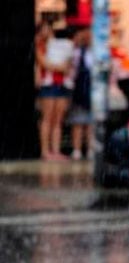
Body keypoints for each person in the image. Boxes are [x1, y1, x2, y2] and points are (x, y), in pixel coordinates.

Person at [36, 22, 73, 161]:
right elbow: (44, 64)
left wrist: (61, 67)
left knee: (58, 120)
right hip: (48, 85)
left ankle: (56, 150)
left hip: (62, 84)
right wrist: (60, 67)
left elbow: (68, 63)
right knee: (47, 118)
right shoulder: (39, 47)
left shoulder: (61, 45)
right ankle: (45, 151)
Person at [68, 26, 92, 160]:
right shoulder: (77, 52)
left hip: (91, 91)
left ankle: (90, 149)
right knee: (78, 121)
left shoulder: (96, 53)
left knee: (90, 122)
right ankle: (77, 149)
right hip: (79, 90)